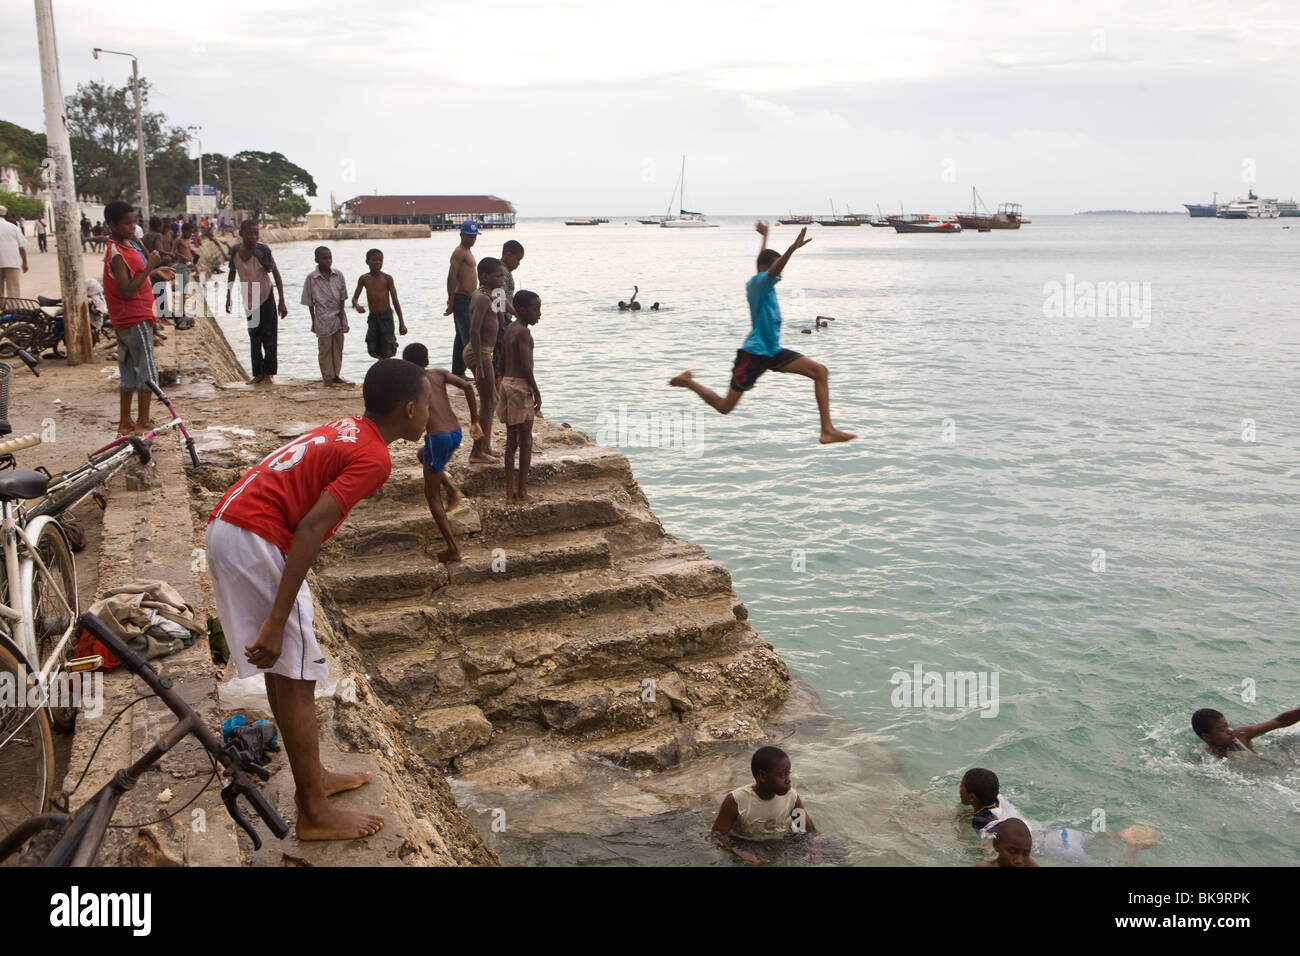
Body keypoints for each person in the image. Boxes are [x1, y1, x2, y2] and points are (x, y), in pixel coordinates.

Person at [206, 359, 430, 841]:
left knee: (285, 669)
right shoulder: (376, 458)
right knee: (300, 674)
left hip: (231, 524)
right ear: (410, 409)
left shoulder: (351, 429)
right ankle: (312, 813)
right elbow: (309, 526)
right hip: (254, 536)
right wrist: (276, 618)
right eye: (428, 404)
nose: (432, 413)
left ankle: (315, 781)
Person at [670, 222, 855, 445]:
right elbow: (770, 269)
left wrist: (765, 236)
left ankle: (827, 429)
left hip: (772, 351)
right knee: (725, 407)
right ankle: (688, 382)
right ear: (767, 269)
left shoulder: (763, 283)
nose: (781, 276)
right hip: (754, 353)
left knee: (820, 371)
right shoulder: (758, 283)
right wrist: (792, 249)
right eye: (778, 270)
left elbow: (764, 263)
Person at [401, 342, 481, 563]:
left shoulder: (411, 385)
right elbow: (467, 386)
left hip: (438, 438)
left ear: (407, 366)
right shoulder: (439, 373)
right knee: (422, 455)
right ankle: (453, 490)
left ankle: (453, 549)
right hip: (455, 433)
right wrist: (475, 420)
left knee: (431, 495)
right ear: (426, 361)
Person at [101, 200, 174, 436]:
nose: (132, 228)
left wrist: (153, 271)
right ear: (112, 224)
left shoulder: (128, 244)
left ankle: (126, 422)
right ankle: (143, 420)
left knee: (128, 370)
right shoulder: (116, 252)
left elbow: (136, 276)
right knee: (146, 370)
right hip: (134, 316)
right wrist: (149, 266)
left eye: (134, 223)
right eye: (127, 223)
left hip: (131, 316)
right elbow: (126, 290)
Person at [710, 746, 818, 865]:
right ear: (762, 776)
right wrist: (740, 853)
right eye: (782, 775)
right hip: (746, 843)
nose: (788, 780)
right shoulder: (736, 800)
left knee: (834, 849)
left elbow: (808, 830)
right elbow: (716, 836)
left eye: (788, 774)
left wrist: (812, 848)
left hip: (779, 841)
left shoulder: (791, 797)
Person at [226, 219, 287, 385]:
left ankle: (268, 373)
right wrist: (228, 295)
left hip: (266, 296)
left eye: (255, 233)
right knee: (254, 336)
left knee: (269, 335)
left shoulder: (262, 251)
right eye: (249, 233)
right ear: (241, 234)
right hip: (249, 298)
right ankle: (258, 373)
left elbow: (275, 274)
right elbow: (232, 272)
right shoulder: (235, 251)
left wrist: (282, 300)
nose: (252, 237)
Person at [498, 290, 543, 504]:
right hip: (519, 386)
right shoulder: (524, 332)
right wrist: (536, 390)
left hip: (507, 383)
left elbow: (502, 359)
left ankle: (509, 494)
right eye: (536, 309)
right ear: (522, 310)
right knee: (525, 441)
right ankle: (522, 493)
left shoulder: (509, 329)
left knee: (511, 441)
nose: (539, 314)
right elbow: (525, 366)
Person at [465, 257, 505, 463]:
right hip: (479, 352)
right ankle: (476, 451)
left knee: (492, 400)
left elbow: (500, 319)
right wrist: (480, 364)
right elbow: (474, 329)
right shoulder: (480, 298)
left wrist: (499, 298)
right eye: (498, 276)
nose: (502, 280)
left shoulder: (491, 296)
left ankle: (485, 446)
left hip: (485, 352)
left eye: (503, 276)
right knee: (488, 400)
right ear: (484, 277)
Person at [301, 246, 350, 386]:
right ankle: (328, 377)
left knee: (338, 348)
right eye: (324, 258)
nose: (327, 260)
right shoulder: (311, 278)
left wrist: (342, 316)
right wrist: (313, 320)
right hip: (322, 318)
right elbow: (310, 302)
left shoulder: (338, 275)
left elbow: (342, 297)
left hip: (338, 317)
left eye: (329, 257)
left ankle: (336, 375)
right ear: (316, 260)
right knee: (325, 349)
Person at [352, 248, 406, 359]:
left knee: (388, 346)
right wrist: (357, 306)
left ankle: (386, 368)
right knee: (372, 345)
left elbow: (395, 301)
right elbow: (354, 299)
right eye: (374, 260)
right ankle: (380, 364)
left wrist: (402, 322)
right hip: (373, 317)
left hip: (386, 317)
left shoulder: (387, 278)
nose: (378, 262)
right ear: (367, 262)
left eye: (381, 260)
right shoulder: (364, 279)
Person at [1192, 705, 1300, 757]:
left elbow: (1280, 721)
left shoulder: (1241, 735)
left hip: (1281, 760)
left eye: (1227, 726)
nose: (1229, 731)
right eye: (1222, 730)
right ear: (1207, 737)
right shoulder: (1204, 755)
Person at [444, 221, 479, 376]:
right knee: (469, 337)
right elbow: (451, 277)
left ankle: (458, 372)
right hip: (461, 298)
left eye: (474, 236)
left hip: (469, 300)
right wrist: (451, 300)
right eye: (469, 236)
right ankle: (477, 372)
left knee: (460, 337)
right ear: (461, 234)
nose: (472, 239)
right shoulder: (459, 252)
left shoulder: (467, 252)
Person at [0, 206, 28, 299]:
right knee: (13, 290)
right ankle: (14, 311)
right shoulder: (13, 227)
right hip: (12, 262)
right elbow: (22, 248)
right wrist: (25, 263)